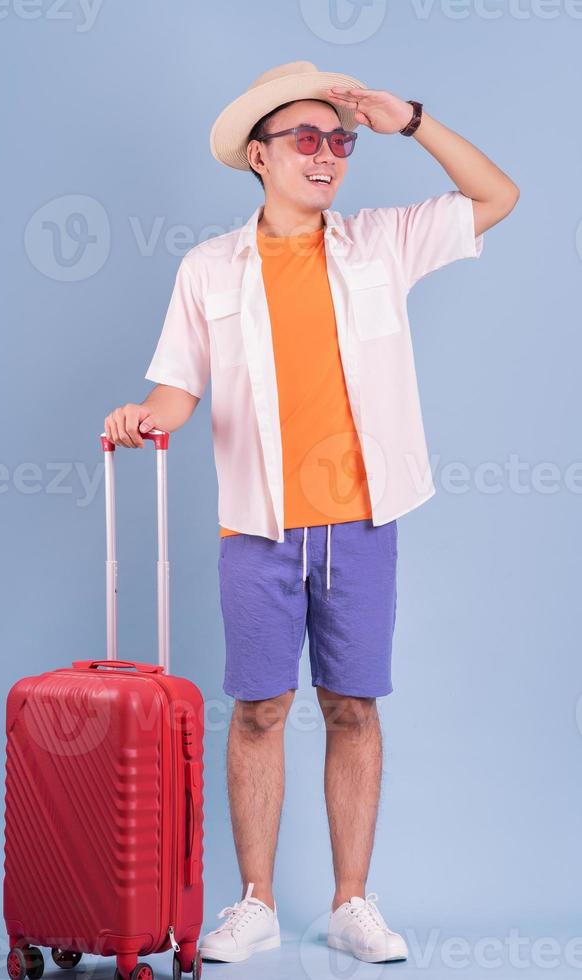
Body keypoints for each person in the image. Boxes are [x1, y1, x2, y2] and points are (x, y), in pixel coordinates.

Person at [104, 61, 519, 966]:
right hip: (258, 527)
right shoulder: (209, 268)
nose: (327, 154)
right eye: (306, 139)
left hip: (365, 521)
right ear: (260, 156)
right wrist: (144, 419)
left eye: (340, 141)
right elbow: (177, 387)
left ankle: (351, 902)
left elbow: (498, 194)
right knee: (257, 711)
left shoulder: (379, 242)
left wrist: (409, 120)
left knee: (354, 709)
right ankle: (251, 901)